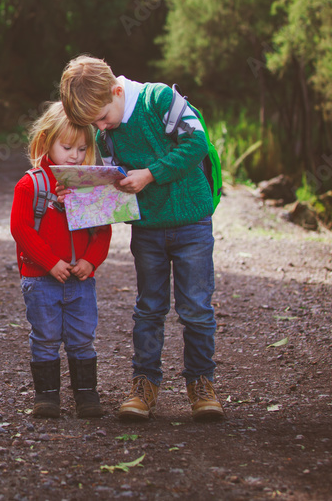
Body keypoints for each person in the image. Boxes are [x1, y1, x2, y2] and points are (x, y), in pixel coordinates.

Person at [59, 54, 224, 422]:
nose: (101, 127)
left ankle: (201, 383)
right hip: (147, 229)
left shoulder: (160, 99)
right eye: (95, 123)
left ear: (117, 91)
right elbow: (113, 185)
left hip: (192, 223)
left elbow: (196, 143)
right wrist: (81, 195)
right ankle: (144, 384)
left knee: (196, 307)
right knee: (148, 308)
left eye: (103, 117)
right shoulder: (106, 131)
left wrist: (150, 174)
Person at [10, 101, 112, 419]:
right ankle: (47, 396)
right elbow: (21, 228)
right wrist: (50, 262)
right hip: (41, 278)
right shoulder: (31, 185)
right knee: (45, 336)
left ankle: (86, 394)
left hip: (80, 279)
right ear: (46, 141)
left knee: (82, 337)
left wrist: (90, 262)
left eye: (82, 149)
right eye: (67, 148)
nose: (75, 156)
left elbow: (102, 230)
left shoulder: (89, 186)